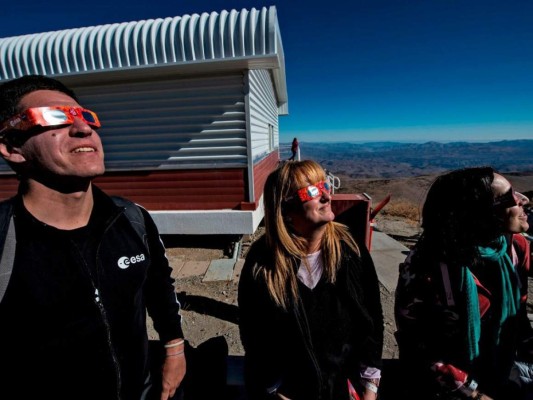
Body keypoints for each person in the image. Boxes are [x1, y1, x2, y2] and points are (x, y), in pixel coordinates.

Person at [0, 75, 186, 400]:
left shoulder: (131, 219)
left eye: (87, 116)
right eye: (56, 117)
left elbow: (159, 286)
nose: (84, 129)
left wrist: (174, 349)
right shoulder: (3, 241)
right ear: (13, 147)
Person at [238, 160, 384, 400]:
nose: (326, 195)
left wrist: (370, 387)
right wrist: (273, 389)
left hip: (343, 390)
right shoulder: (262, 262)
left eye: (325, 184)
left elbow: (372, 321)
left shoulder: (350, 250)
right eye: (313, 191)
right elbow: (254, 336)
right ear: (285, 209)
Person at [394, 167, 533, 400]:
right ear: (480, 213)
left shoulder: (513, 247)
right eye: (509, 198)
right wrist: (475, 394)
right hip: (450, 388)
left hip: (504, 370)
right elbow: (417, 346)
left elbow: (519, 317)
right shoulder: (427, 265)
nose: (523, 201)